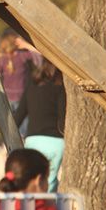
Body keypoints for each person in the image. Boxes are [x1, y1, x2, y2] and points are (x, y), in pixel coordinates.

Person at [14, 58, 66, 192]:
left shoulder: (32, 85)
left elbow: (19, 114)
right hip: (55, 141)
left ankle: (32, 209)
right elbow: (62, 119)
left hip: (33, 140)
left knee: (32, 180)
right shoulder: (60, 87)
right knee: (50, 180)